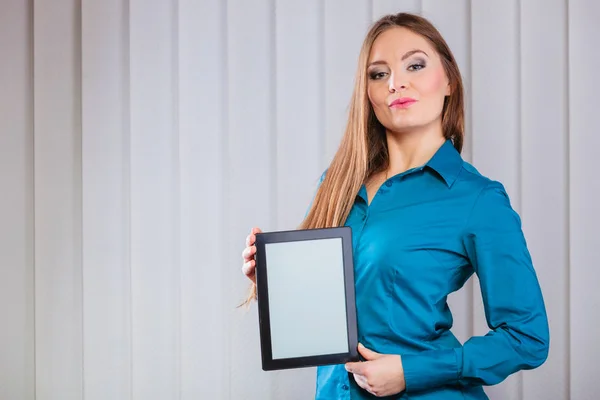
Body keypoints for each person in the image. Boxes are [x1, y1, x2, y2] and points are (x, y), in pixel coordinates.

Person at [241, 12, 549, 399]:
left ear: (449, 80)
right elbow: (332, 318)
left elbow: (528, 337)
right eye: (378, 74)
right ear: (367, 92)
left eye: (415, 65)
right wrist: (276, 283)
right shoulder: (337, 184)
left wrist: (411, 371)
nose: (396, 83)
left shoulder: (477, 199)